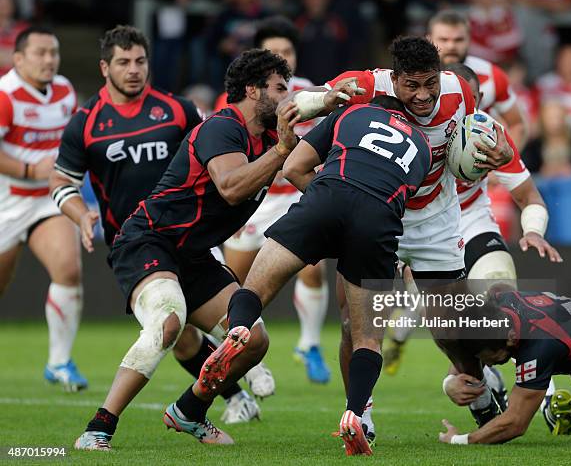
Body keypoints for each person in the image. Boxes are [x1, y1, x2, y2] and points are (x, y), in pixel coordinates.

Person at [73, 48, 353, 451]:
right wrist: (281, 153)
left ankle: (188, 411)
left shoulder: (274, 137)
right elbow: (232, 187)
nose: (287, 96)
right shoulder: (223, 127)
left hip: (193, 254)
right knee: (169, 322)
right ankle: (98, 428)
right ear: (254, 90)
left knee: (253, 340)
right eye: (279, 88)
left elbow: (305, 157)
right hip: (148, 240)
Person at [49, 25, 261, 426]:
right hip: (137, 242)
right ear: (104, 68)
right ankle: (102, 426)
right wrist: (80, 213)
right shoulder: (86, 123)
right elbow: (61, 180)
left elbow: (213, 160)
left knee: (240, 334)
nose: (133, 70)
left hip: (189, 239)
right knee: (172, 326)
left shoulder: (178, 109)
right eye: (123, 62)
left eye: (140, 61)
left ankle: (219, 400)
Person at [202, 94, 433, 456]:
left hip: (328, 197)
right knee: (367, 338)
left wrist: (328, 204)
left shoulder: (352, 113)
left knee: (254, 288)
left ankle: (239, 328)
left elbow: (293, 168)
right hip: (378, 220)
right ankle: (356, 415)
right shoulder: (422, 146)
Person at [319, 36, 513, 440]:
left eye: (431, 84)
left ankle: (480, 395)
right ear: (395, 79)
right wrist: (320, 99)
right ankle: (360, 414)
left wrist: (497, 155)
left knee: (453, 323)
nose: (423, 95)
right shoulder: (368, 87)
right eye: (412, 86)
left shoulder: (458, 89)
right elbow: (317, 101)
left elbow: (482, 136)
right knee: (354, 322)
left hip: (435, 221)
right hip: (375, 211)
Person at [437, 62, 568, 432]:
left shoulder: (490, 133)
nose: (466, 106)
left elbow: (530, 197)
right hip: (424, 235)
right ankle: (483, 403)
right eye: (457, 98)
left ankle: (542, 384)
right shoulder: (414, 130)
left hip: (474, 220)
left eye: (474, 99)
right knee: (452, 333)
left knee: (502, 297)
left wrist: (534, 230)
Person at [221, 15, 331, 384]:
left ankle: (310, 344)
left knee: (313, 266)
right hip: (255, 201)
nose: (282, 56)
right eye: (273, 51)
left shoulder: (313, 96)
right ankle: (244, 351)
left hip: (293, 199)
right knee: (233, 285)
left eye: (287, 51)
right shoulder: (240, 100)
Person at [0, 26, 86, 391]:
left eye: (53, 52)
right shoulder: (5, 95)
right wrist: (29, 169)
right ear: (18, 58)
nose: (49, 60)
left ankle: (59, 362)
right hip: (7, 200)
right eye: (40, 53)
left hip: (46, 200)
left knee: (68, 269)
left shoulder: (65, 90)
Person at [436, 284, 571, 444]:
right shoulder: (499, 303)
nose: (488, 364)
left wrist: (458, 440)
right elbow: (470, 342)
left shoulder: (540, 345)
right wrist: (450, 380)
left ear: (511, 339)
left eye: (489, 357)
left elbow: (515, 423)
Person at [426, 10, 527, 150]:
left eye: (458, 40)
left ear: (469, 39)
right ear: (429, 39)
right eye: (443, 40)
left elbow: (517, 124)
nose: (451, 46)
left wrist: (501, 165)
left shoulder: (492, 75)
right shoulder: (415, 77)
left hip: (476, 161)